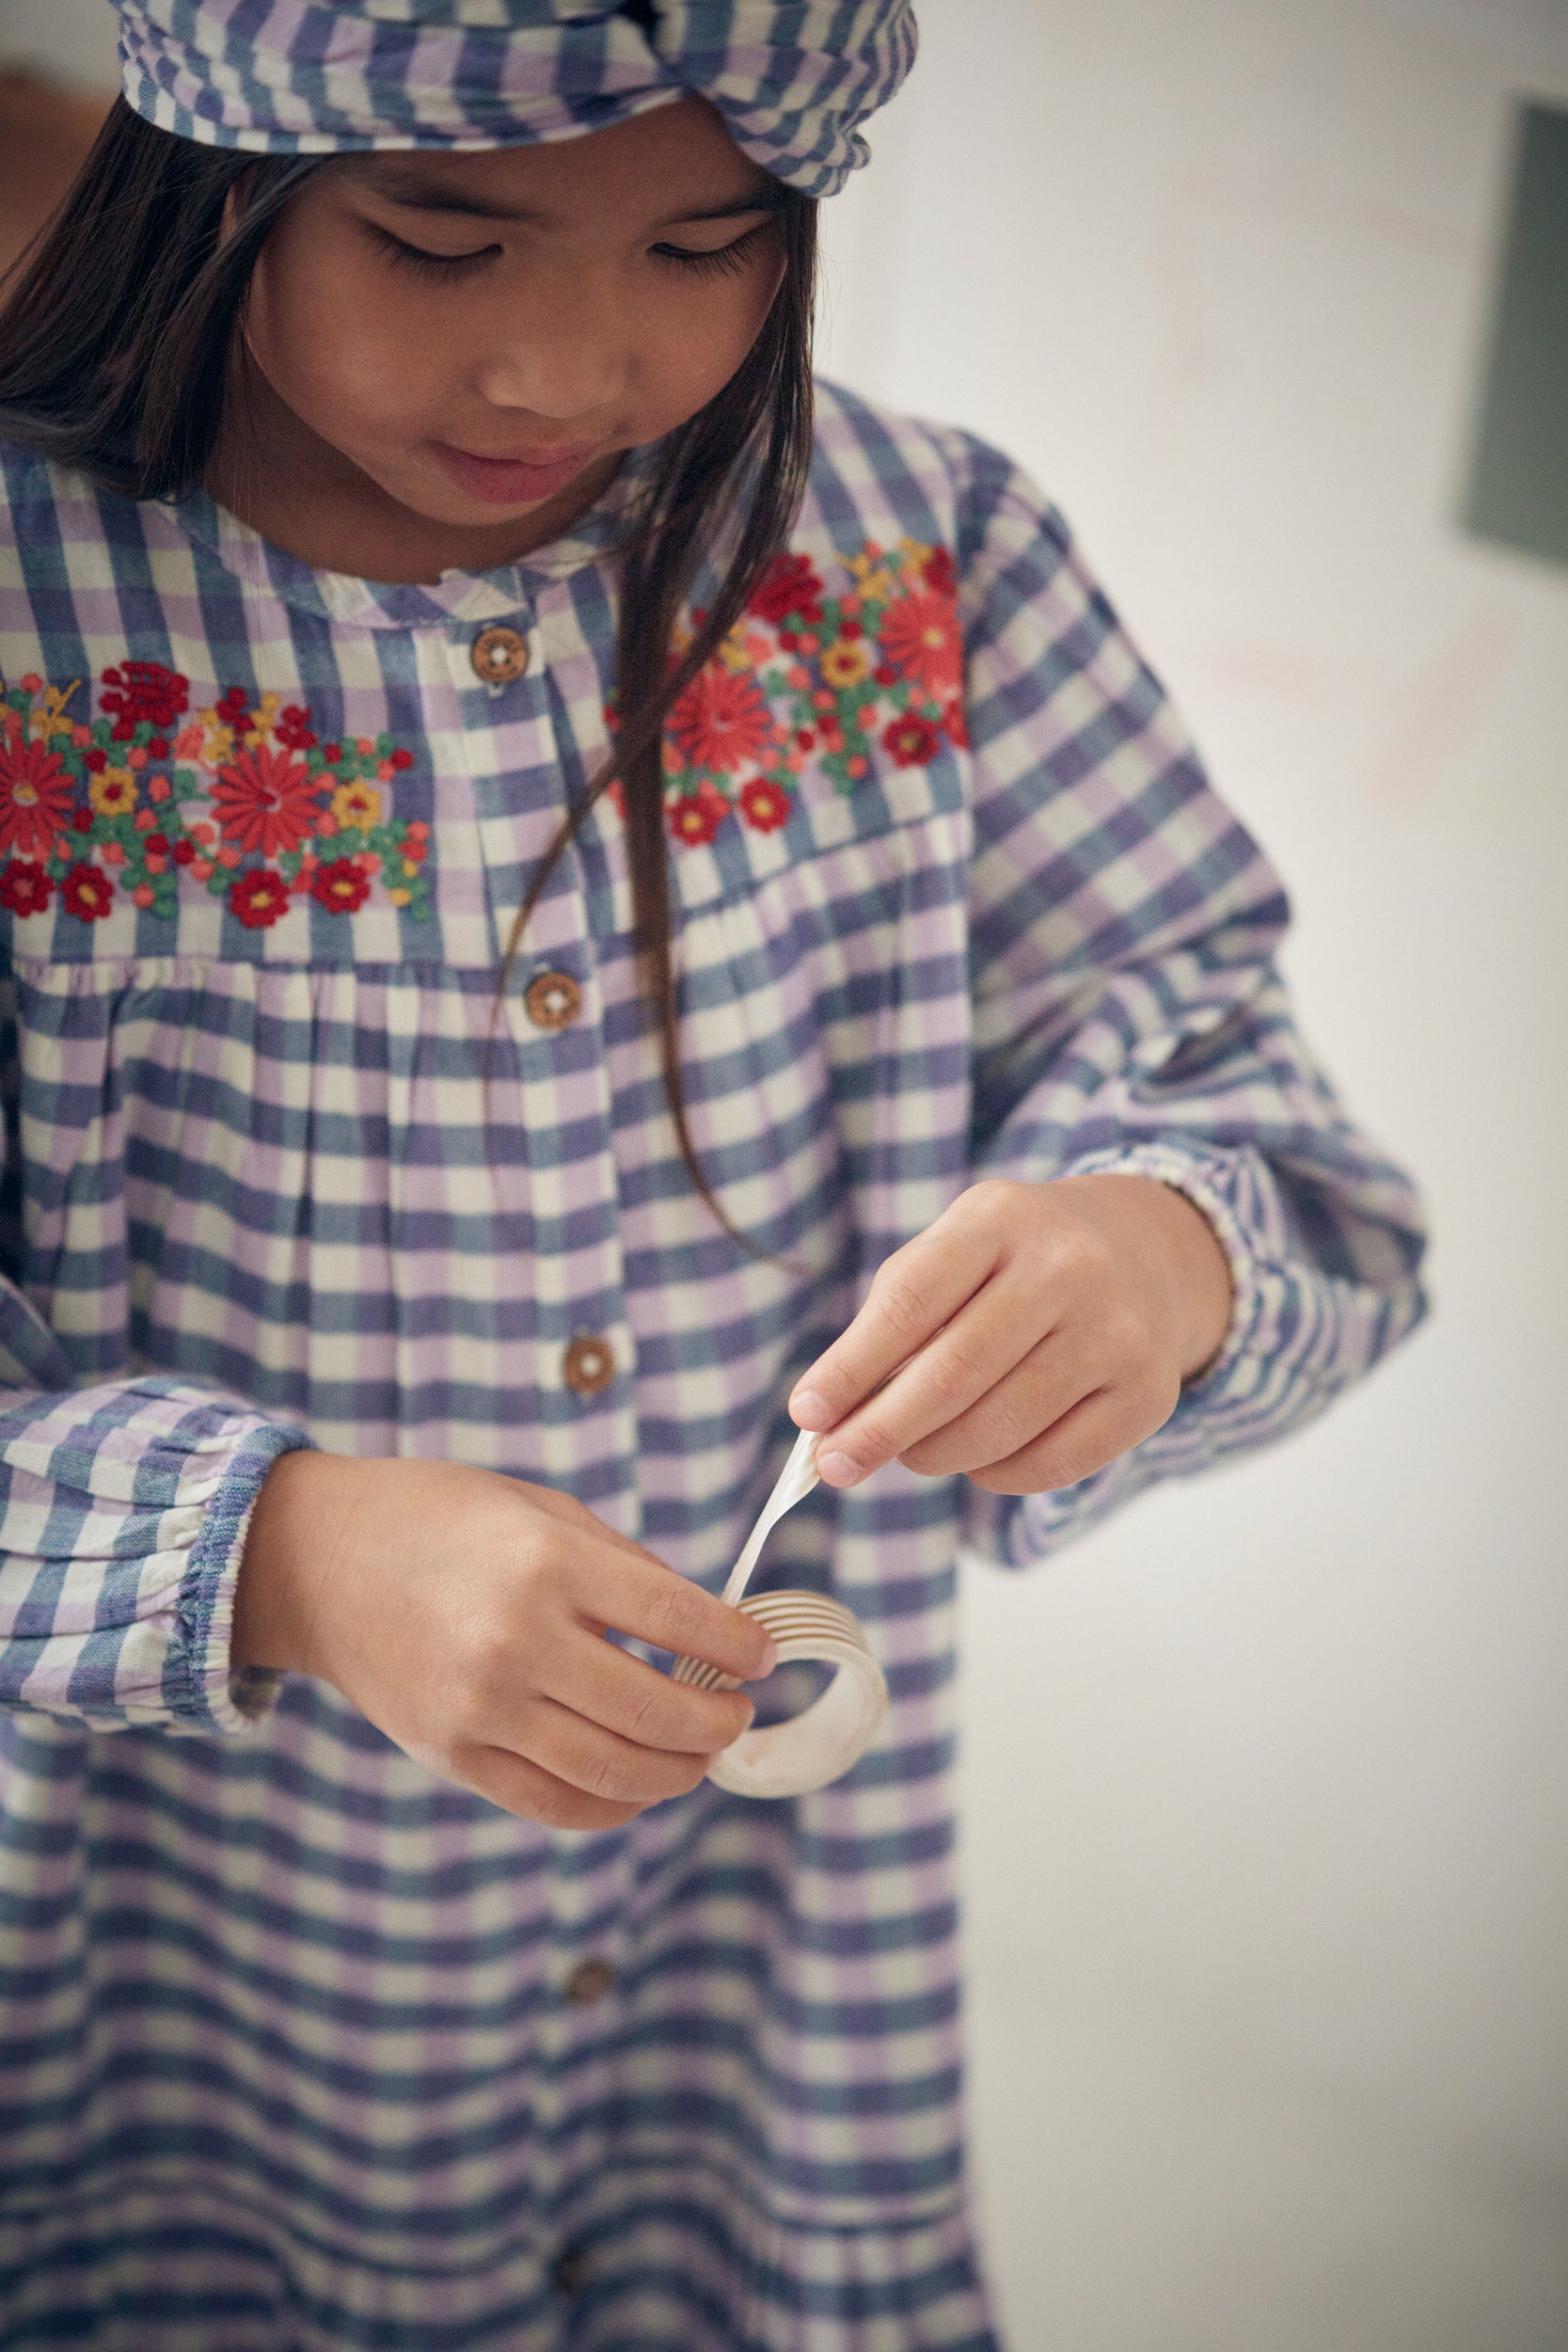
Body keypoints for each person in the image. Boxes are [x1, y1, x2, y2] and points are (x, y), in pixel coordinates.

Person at [0, 2, 1427, 2343]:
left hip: (750, 2028)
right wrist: (284, 1549)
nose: (570, 360)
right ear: (211, 164)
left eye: (709, 239)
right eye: (442, 240)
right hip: (166, 2027)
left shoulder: (921, 559)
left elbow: (1292, 1154)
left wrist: (1156, 1249)